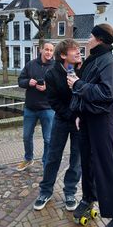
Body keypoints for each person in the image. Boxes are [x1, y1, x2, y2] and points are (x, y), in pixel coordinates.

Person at [67, 24, 113, 227]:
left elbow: (107, 93)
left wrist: (77, 84)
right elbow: (85, 90)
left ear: (100, 40)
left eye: (91, 37)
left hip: (101, 122)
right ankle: (88, 198)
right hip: (86, 119)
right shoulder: (93, 60)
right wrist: (78, 113)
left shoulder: (109, 63)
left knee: (106, 165)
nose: (88, 40)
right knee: (87, 161)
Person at [33, 39, 81, 211]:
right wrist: (70, 115)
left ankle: (70, 191)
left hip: (80, 122)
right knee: (53, 156)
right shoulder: (52, 74)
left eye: (78, 49)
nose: (78, 52)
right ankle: (45, 191)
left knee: (77, 158)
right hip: (62, 119)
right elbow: (53, 101)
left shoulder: (82, 69)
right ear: (62, 55)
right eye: (74, 50)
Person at [17, 42, 55, 171]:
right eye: (46, 49)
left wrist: (47, 87)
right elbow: (20, 81)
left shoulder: (56, 67)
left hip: (48, 109)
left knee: (48, 139)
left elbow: (60, 87)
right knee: (26, 136)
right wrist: (28, 82)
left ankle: (46, 163)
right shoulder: (30, 65)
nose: (49, 52)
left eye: (51, 50)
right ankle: (28, 159)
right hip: (30, 108)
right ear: (41, 50)